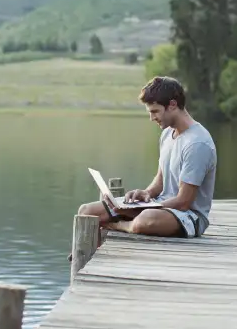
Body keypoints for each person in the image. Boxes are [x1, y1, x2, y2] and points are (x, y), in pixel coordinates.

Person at [77, 76, 217, 239]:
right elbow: (160, 180)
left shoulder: (197, 144)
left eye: (155, 111)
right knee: (87, 211)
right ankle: (84, 255)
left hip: (188, 218)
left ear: (172, 105)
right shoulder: (167, 134)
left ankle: (118, 226)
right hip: (159, 206)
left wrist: (140, 210)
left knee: (146, 219)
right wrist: (145, 194)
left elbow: (183, 202)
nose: (152, 118)